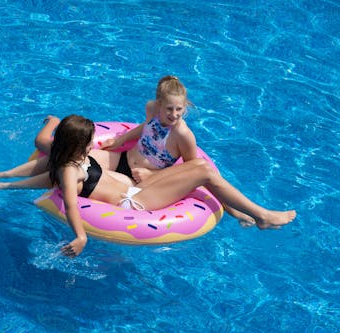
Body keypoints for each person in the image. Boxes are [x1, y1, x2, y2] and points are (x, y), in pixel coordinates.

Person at [0, 115, 297, 257]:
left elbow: (42, 148)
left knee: (197, 167)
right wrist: (80, 237)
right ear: (78, 143)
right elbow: (71, 202)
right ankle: (262, 216)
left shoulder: (69, 154)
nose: (96, 139)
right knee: (203, 172)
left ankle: (240, 212)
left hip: (137, 188)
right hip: (135, 205)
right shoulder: (68, 170)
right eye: (90, 137)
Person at [36, 75, 256, 225]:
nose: (174, 114)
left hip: (142, 181)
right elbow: (146, 127)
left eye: (179, 109)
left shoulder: (183, 135)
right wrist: (122, 138)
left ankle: (235, 210)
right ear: (159, 104)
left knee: (75, 170)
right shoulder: (152, 109)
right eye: (169, 109)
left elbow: (189, 171)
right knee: (57, 149)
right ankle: (51, 124)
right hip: (121, 159)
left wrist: (155, 174)